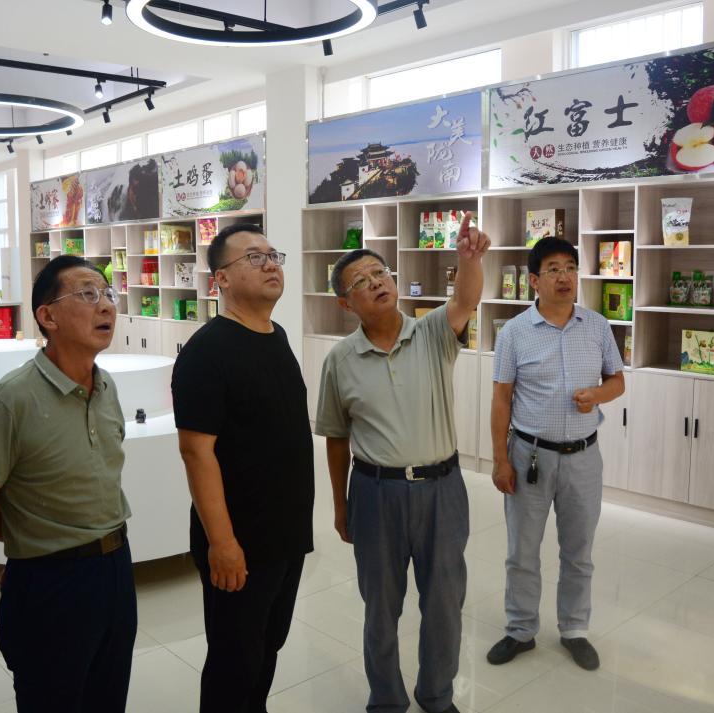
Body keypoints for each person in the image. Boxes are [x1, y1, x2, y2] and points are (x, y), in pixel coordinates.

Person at [316, 213, 489, 713]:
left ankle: (437, 695)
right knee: (380, 608)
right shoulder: (340, 360)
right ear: (345, 303)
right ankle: (387, 699)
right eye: (360, 282)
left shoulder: (432, 332)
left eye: (380, 273)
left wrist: (469, 260)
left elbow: (466, 301)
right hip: (375, 493)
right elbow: (336, 438)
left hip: (442, 489)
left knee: (444, 603)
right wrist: (340, 505)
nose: (376, 283)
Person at [0, 255, 135, 713]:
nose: (106, 307)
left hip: (116, 567)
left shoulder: (107, 388)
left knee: (108, 696)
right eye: (88, 294)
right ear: (47, 316)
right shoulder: (9, 400)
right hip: (50, 582)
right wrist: (31, 542)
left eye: (108, 295)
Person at [171, 223, 314, 713]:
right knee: (234, 661)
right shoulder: (207, 351)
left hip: (285, 535)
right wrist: (223, 543)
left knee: (267, 647)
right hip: (240, 542)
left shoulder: (276, 336)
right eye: (253, 257)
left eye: (273, 255)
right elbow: (196, 453)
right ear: (222, 279)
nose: (270, 263)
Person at [485, 237, 624, 672]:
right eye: (553, 269)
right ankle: (520, 629)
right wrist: (500, 459)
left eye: (570, 267)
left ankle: (575, 629)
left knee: (578, 551)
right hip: (529, 456)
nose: (564, 276)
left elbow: (617, 382)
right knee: (522, 551)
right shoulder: (514, 332)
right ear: (534, 281)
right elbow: (501, 399)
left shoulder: (597, 326)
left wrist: (596, 395)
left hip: (583, 457)